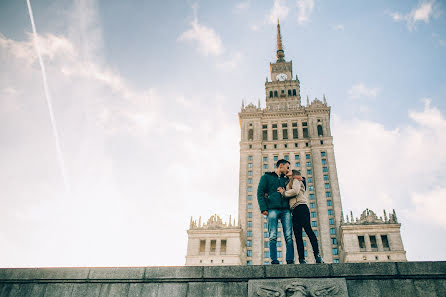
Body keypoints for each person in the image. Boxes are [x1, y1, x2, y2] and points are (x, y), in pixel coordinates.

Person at [279, 170, 323, 264]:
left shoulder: (295, 180)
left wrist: (283, 193)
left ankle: (317, 255)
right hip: (294, 210)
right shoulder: (289, 182)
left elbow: (295, 191)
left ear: (294, 174)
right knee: (298, 236)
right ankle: (301, 259)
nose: (287, 171)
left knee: (308, 230)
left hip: (301, 207)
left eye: (289, 171)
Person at [257, 159, 295, 264]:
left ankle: (290, 260)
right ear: (281, 166)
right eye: (287, 167)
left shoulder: (287, 179)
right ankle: (274, 259)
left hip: (286, 209)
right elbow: (260, 192)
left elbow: (300, 183)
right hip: (272, 209)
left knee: (288, 235)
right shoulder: (266, 177)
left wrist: (292, 175)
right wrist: (263, 208)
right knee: (272, 234)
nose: (288, 170)